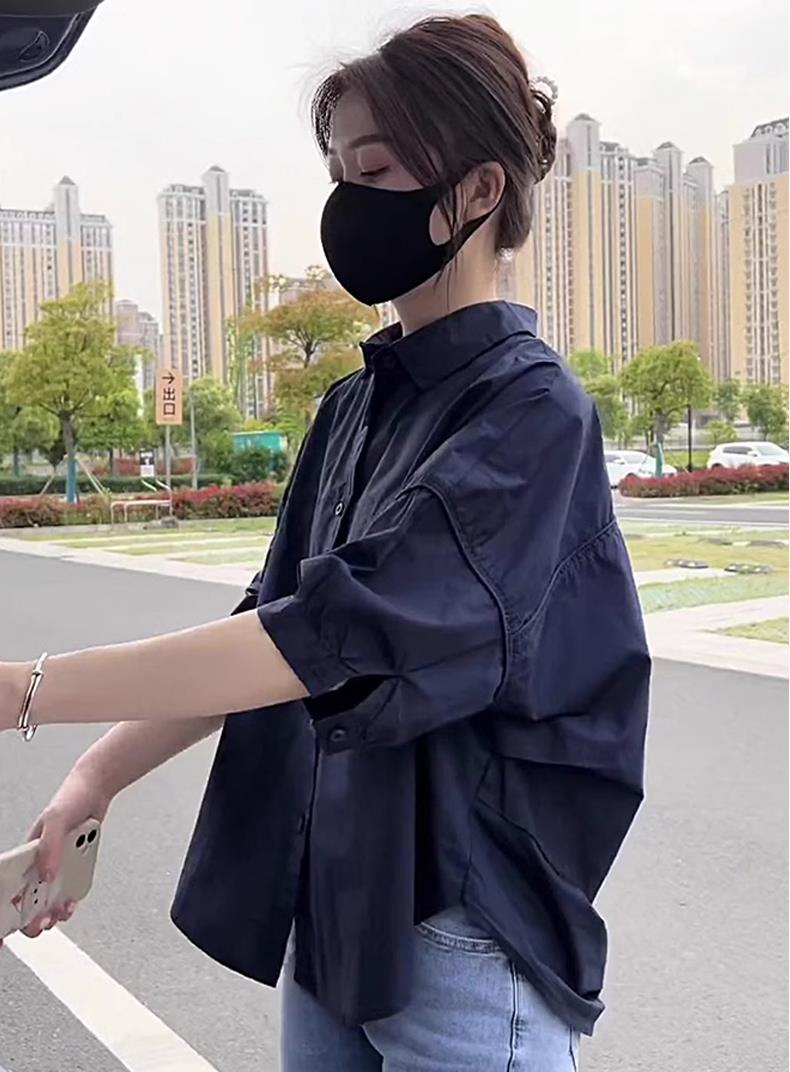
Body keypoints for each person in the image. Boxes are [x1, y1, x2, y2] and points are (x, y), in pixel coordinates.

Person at [0, 14, 649, 1071]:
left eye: (376, 170)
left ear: (480, 191)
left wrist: (28, 688)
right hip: (337, 918)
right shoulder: (354, 406)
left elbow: (329, 641)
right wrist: (97, 772)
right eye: (338, 172)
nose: (347, 201)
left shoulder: (531, 414)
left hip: (464, 938)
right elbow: (268, 629)